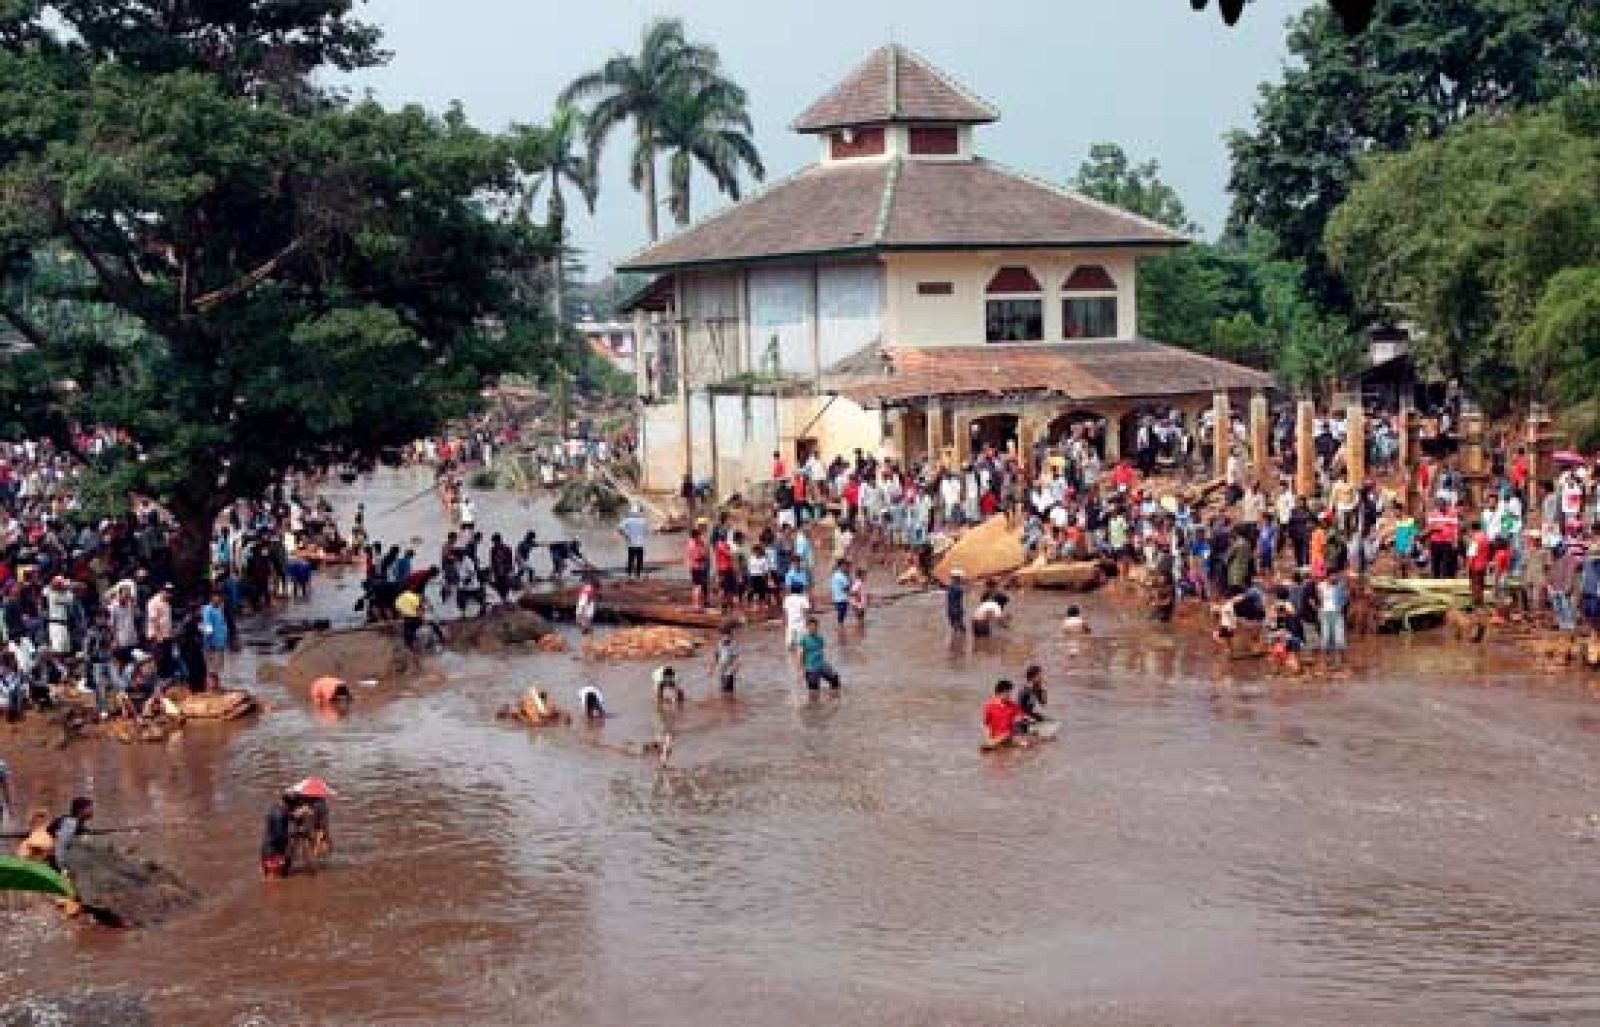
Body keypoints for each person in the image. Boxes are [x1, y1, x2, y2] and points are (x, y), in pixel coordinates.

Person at [49, 796, 94, 877]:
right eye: (89, 808)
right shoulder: (70, 823)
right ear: (80, 810)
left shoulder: (75, 823)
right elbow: (61, 845)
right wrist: (62, 868)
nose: (92, 811)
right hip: (54, 862)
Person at [797, 616, 841, 691]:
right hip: (811, 668)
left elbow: (822, 652)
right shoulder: (803, 639)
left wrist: (828, 664)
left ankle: (833, 695)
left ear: (817, 627)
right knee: (813, 690)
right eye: (810, 626)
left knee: (835, 679)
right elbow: (800, 655)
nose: (813, 628)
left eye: (814, 626)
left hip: (821, 665)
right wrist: (800, 670)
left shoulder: (820, 638)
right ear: (807, 627)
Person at [981, 679, 1027, 750]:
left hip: (1009, 737)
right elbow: (986, 725)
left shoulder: (1013, 706)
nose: (1009, 695)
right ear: (1000, 693)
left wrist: (1020, 720)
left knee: (1024, 744)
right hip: (996, 737)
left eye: (1010, 692)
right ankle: (993, 744)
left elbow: (1021, 717)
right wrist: (988, 738)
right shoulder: (990, 706)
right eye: (1008, 692)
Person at [261, 790, 297, 879]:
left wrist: (294, 815)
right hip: (273, 852)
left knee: (274, 878)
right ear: (288, 805)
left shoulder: (276, 808)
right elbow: (279, 835)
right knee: (274, 880)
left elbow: (286, 815)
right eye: (292, 807)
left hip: (269, 849)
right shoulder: (279, 815)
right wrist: (293, 833)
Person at [618, 506, 649, 579]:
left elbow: (619, 528)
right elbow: (646, 532)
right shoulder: (643, 521)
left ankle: (629, 574)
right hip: (640, 543)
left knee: (631, 558)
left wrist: (626, 535)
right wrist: (643, 536)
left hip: (631, 542)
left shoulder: (627, 520)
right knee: (639, 559)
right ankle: (638, 574)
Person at [709, 629, 740, 695]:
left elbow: (736, 658)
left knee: (729, 686)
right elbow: (715, 657)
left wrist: (735, 667)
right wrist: (711, 669)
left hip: (730, 669)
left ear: (731, 636)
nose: (726, 638)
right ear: (721, 637)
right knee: (723, 687)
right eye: (724, 636)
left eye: (728, 636)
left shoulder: (733, 645)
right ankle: (726, 697)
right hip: (721, 669)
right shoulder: (719, 645)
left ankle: (729, 698)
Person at [946, 568, 968, 648]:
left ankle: (955, 644)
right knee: (960, 627)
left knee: (955, 628)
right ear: (958, 578)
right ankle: (960, 643)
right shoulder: (958, 588)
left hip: (950, 609)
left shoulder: (950, 587)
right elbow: (959, 599)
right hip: (956, 609)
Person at [829, 560, 852, 636]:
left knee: (841, 614)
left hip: (837, 597)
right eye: (844, 566)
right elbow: (846, 587)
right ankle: (840, 630)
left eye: (846, 566)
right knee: (842, 614)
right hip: (841, 598)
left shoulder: (835, 575)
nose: (846, 568)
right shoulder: (841, 576)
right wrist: (849, 579)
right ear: (840, 566)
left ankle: (840, 629)